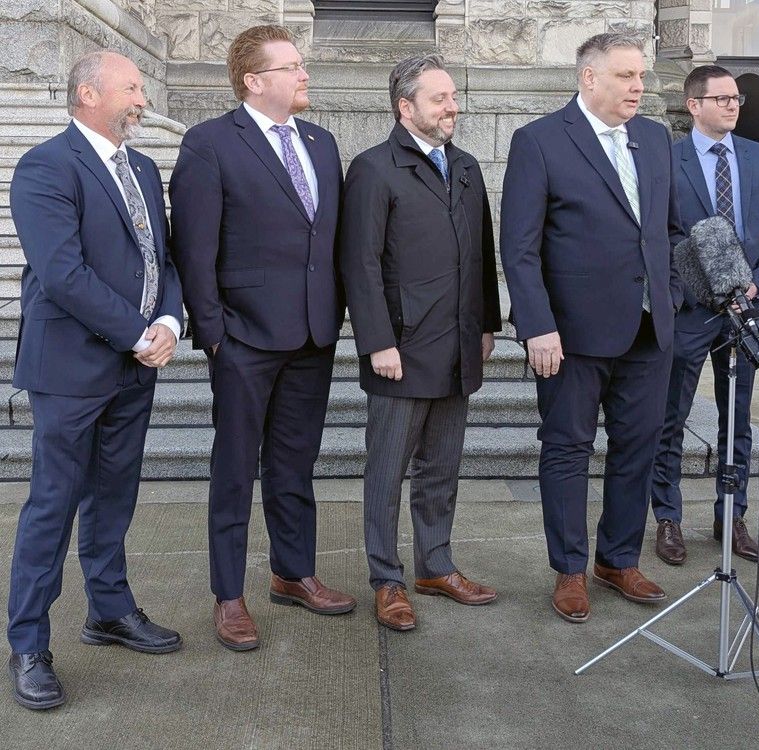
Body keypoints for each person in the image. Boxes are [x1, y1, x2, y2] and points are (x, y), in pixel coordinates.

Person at [6, 51, 184, 709]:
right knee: (53, 504)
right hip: (71, 368)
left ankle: (108, 611)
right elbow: (62, 273)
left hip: (135, 368)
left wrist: (168, 316)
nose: (142, 99)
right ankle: (28, 643)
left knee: (114, 495)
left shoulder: (140, 166)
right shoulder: (45, 167)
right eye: (132, 87)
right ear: (88, 93)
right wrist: (139, 334)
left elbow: (160, 255)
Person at [169, 24, 355, 651]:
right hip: (244, 338)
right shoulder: (210, 143)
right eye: (293, 66)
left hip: (312, 335)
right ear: (255, 80)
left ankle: (292, 572)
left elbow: (327, 243)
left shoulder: (322, 143)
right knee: (234, 468)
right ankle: (228, 594)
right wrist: (216, 334)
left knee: (295, 463)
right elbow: (194, 250)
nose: (306, 75)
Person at [500, 32, 684, 623]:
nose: (639, 87)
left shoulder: (655, 139)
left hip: (650, 329)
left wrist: (672, 295)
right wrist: (537, 327)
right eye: (627, 76)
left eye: (642, 76)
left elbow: (672, 230)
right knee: (566, 450)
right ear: (590, 78)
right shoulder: (541, 142)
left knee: (638, 447)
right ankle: (570, 570)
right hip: (571, 337)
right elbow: (520, 249)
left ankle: (619, 558)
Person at [339, 55, 502, 632]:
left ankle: (436, 563)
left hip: (458, 346)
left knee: (442, 467)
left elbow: (482, 254)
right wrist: (376, 341)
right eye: (439, 98)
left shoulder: (465, 167)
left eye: (453, 96)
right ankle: (387, 579)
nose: (451, 106)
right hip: (401, 352)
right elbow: (359, 264)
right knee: (387, 472)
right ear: (405, 107)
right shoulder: (373, 169)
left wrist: (487, 323)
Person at [650, 65, 759, 567]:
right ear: (694, 105)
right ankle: (668, 517)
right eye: (723, 98)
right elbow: (659, 233)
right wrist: (692, 283)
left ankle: (731, 516)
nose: (733, 105)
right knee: (672, 418)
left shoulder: (756, 158)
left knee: (738, 422)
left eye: (737, 99)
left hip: (745, 313)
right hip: (690, 311)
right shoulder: (667, 158)